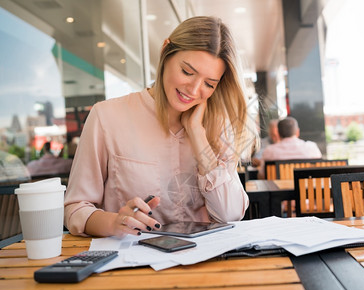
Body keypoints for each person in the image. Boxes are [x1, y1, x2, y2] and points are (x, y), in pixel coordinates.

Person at [64, 16, 256, 238]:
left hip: (204, 265)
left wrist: (197, 134)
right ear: (166, 52)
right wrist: (115, 222)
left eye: (209, 84)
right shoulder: (106, 117)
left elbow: (230, 215)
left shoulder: (217, 125)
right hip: (133, 264)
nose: (194, 90)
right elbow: (75, 208)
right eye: (187, 72)